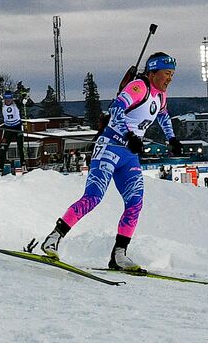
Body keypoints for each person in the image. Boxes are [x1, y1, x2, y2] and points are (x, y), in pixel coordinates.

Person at [38, 52, 183, 271]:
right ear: (153, 72)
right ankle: (53, 238)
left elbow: (162, 115)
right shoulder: (139, 87)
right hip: (109, 148)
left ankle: (119, 254)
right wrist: (129, 136)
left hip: (128, 156)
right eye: (166, 74)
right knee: (93, 197)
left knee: (135, 202)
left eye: (172, 74)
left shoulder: (161, 95)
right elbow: (116, 109)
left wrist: (171, 138)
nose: (169, 79)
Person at [0, 91, 24, 167]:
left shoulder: (16, 104)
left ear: (12, 98)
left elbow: (28, 104)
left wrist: (25, 99)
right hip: (8, 128)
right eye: (6, 98)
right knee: (3, 148)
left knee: (20, 146)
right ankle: (0, 167)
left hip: (17, 127)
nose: (8, 100)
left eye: (10, 98)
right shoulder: (2, 105)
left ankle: (23, 164)